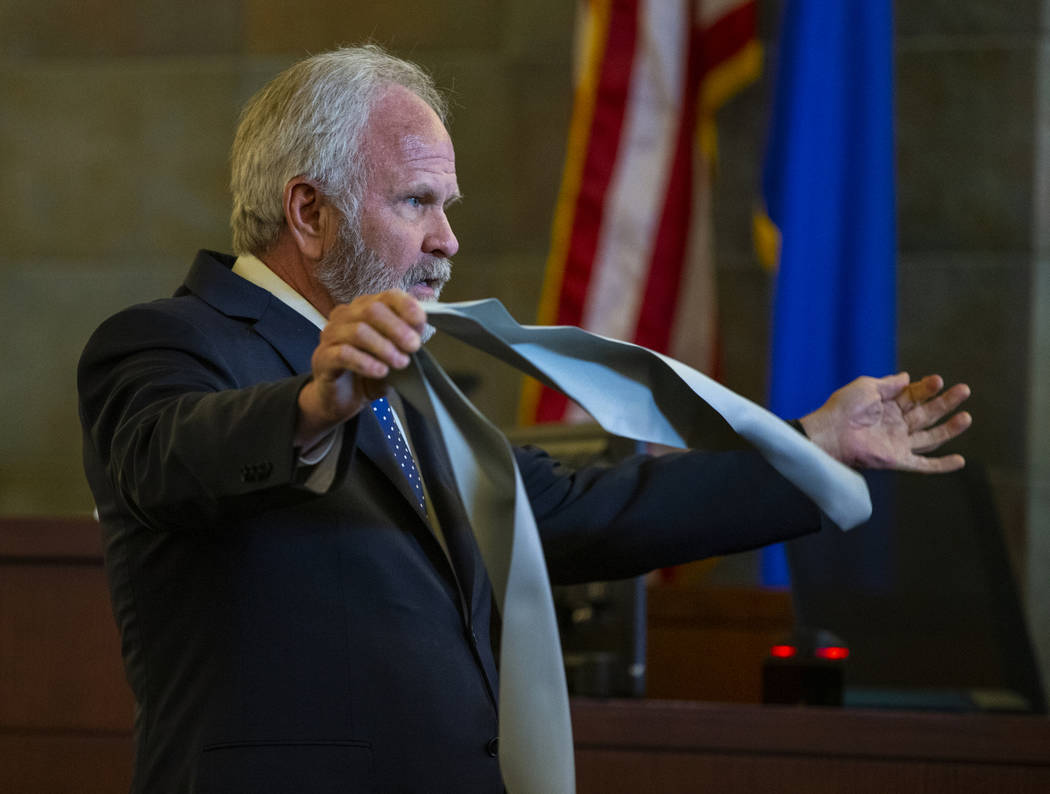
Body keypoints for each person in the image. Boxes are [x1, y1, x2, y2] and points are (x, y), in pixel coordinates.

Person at [77, 46, 971, 794]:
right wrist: (317, 405)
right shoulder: (167, 341)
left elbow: (583, 509)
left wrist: (809, 445)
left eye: (447, 208)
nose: (447, 241)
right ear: (309, 212)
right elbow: (167, 457)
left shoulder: (411, 388)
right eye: (416, 203)